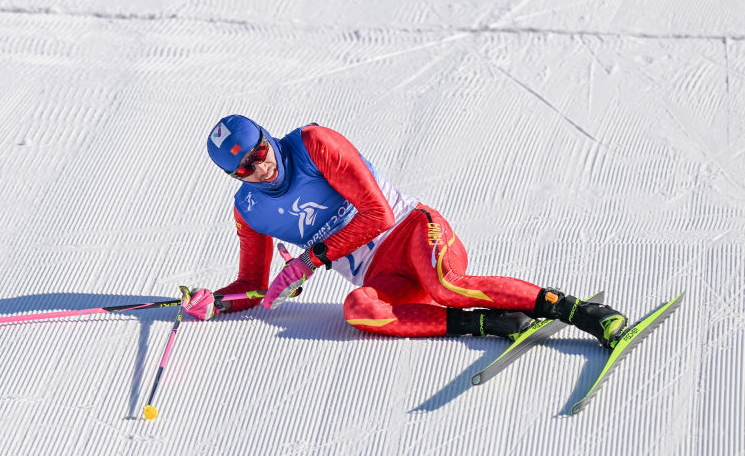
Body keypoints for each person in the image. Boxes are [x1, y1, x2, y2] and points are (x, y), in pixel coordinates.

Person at [183, 114, 629, 347]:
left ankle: (581, 313)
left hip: (414, 232)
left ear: (267, 135)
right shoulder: (249, 211)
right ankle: (490, 323)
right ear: (233, 176)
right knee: (358, 309)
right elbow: (253, 286)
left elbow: (378, 214)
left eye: (259, 150)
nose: (259, 166)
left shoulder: (313, 145)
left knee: (445, 285)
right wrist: (217, 302)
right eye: (243, 167)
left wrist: (309, 259)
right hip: (382, 278)